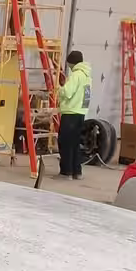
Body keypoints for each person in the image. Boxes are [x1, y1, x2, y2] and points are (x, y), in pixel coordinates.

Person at [56, 50, 92, 179]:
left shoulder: (76, 75)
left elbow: (67, 92)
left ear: (72, 63)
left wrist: (58, 89)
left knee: (65, 143)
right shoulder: (87, 76)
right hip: (80, 114)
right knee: (75, 143)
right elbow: (86, 96)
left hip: (70, 113)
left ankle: (66, 172)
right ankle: (77, 172)